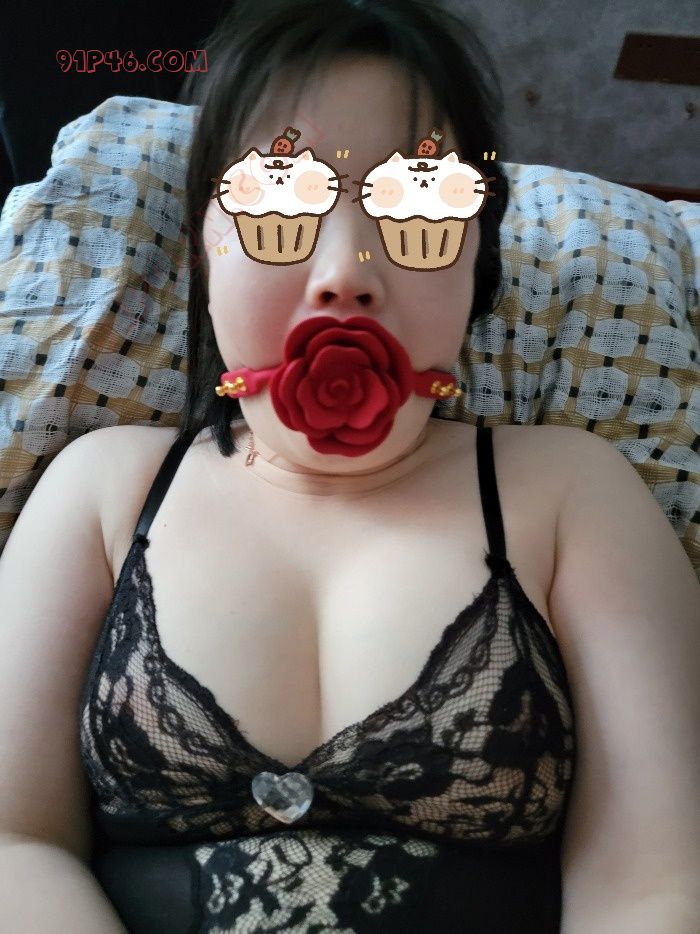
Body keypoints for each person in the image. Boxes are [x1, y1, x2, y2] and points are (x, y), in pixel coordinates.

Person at [1, 1, 699, 932]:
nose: (345, 272)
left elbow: (655, 883)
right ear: (204, 248)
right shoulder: (100, 493)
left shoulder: (576, 495)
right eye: (277, 204)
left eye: (417, 206)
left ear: (477, 257)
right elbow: (12, 843)